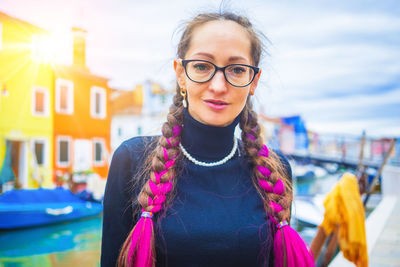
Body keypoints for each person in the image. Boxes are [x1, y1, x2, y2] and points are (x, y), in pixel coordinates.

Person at [101, 11, 315, 267]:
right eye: (202, 66)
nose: (218, 86)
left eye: (236, 69)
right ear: (181, 73)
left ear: (253, 81)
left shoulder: (276, 170)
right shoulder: (132, 159)